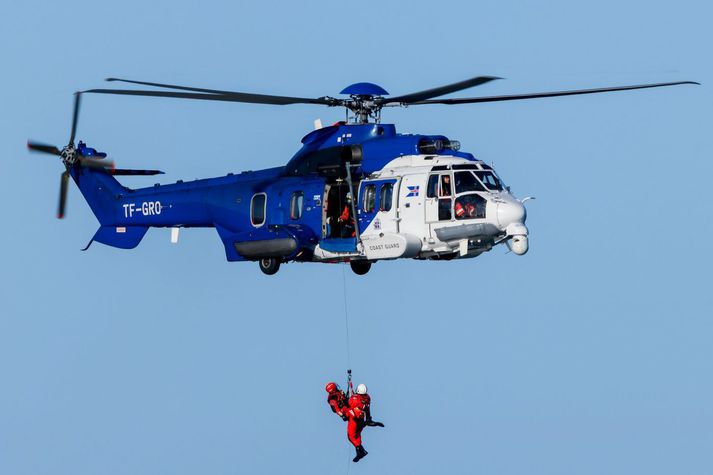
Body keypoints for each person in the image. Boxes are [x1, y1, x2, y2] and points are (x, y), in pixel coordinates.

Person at [344, 383, 384, 463]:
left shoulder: (355, 398)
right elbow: (367, 408)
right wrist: (369, 418)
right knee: (357, 436)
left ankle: (361, 452)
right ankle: (361, 452)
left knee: (351, 437)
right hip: (361, 419)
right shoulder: (367, 397)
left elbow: (349, 404)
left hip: (354, 419)